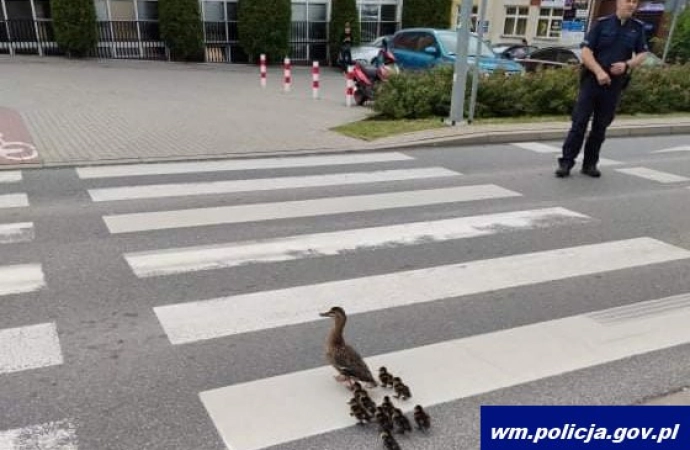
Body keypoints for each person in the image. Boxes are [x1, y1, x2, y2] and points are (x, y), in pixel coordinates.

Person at [555, 0, 649, 178]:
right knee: (579, 123)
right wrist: (599, 72)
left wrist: (627, 64)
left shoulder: (637, 28)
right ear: (618, 3)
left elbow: (643, 53)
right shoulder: (602, 24)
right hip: (592, 82)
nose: (631, 5)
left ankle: (590, 164)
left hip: (614, 85)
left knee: (600, 127)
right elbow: (585, 52)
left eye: (634, 2)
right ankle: (566, 163)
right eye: (627, 1)